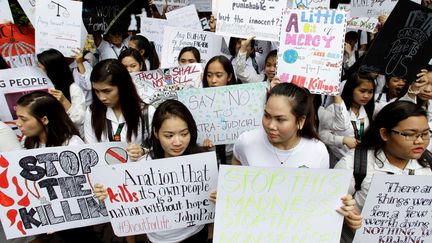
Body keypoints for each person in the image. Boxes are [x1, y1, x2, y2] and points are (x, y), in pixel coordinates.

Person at [94, 100, 210, 243]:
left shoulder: (202, 162)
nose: (178, 142)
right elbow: (126, 209)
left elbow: (211, 206)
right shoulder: (143, 166)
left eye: (184, 134)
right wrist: (107, 195)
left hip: (196, 234)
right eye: (169, 135)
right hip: (159, 240)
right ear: (156, 133)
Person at [335, 101, 432, 242]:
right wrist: (344, 213)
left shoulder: (428, 164)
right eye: (410, 134)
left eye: (425, 134)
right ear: (385, 134)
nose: (419, 141)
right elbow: (326, 206)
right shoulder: (353, 164)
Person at [232, 83, 329, 168]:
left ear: (300, 121)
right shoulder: (246, 142)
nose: (271, 125)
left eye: (280, 119)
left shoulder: (318, 152)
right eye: (267, 116)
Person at [84, 59, 153, 161]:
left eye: (107, 91)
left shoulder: (147, 112)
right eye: (96, 91)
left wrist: (142, 151)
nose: (101, 97)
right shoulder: (92, 112)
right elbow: (90, 150)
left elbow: (159, 147)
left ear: (123, 87)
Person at [320, 72, 376, 163]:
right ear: (351, 89)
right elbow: (322, 135)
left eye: (370, 92)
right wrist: (343, 140)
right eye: (362, 91)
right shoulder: (333, 109)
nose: (366, 96)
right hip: (337, 162)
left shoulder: (369, 110)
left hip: (360, 162)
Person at [37, 49, 86, 134]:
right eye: (37, 69)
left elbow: (80, 120)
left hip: (68, 137)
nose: (39, 73)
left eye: (42, 70)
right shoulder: (39, 87)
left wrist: (64, 102)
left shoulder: (73, 88)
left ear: (53, 70)